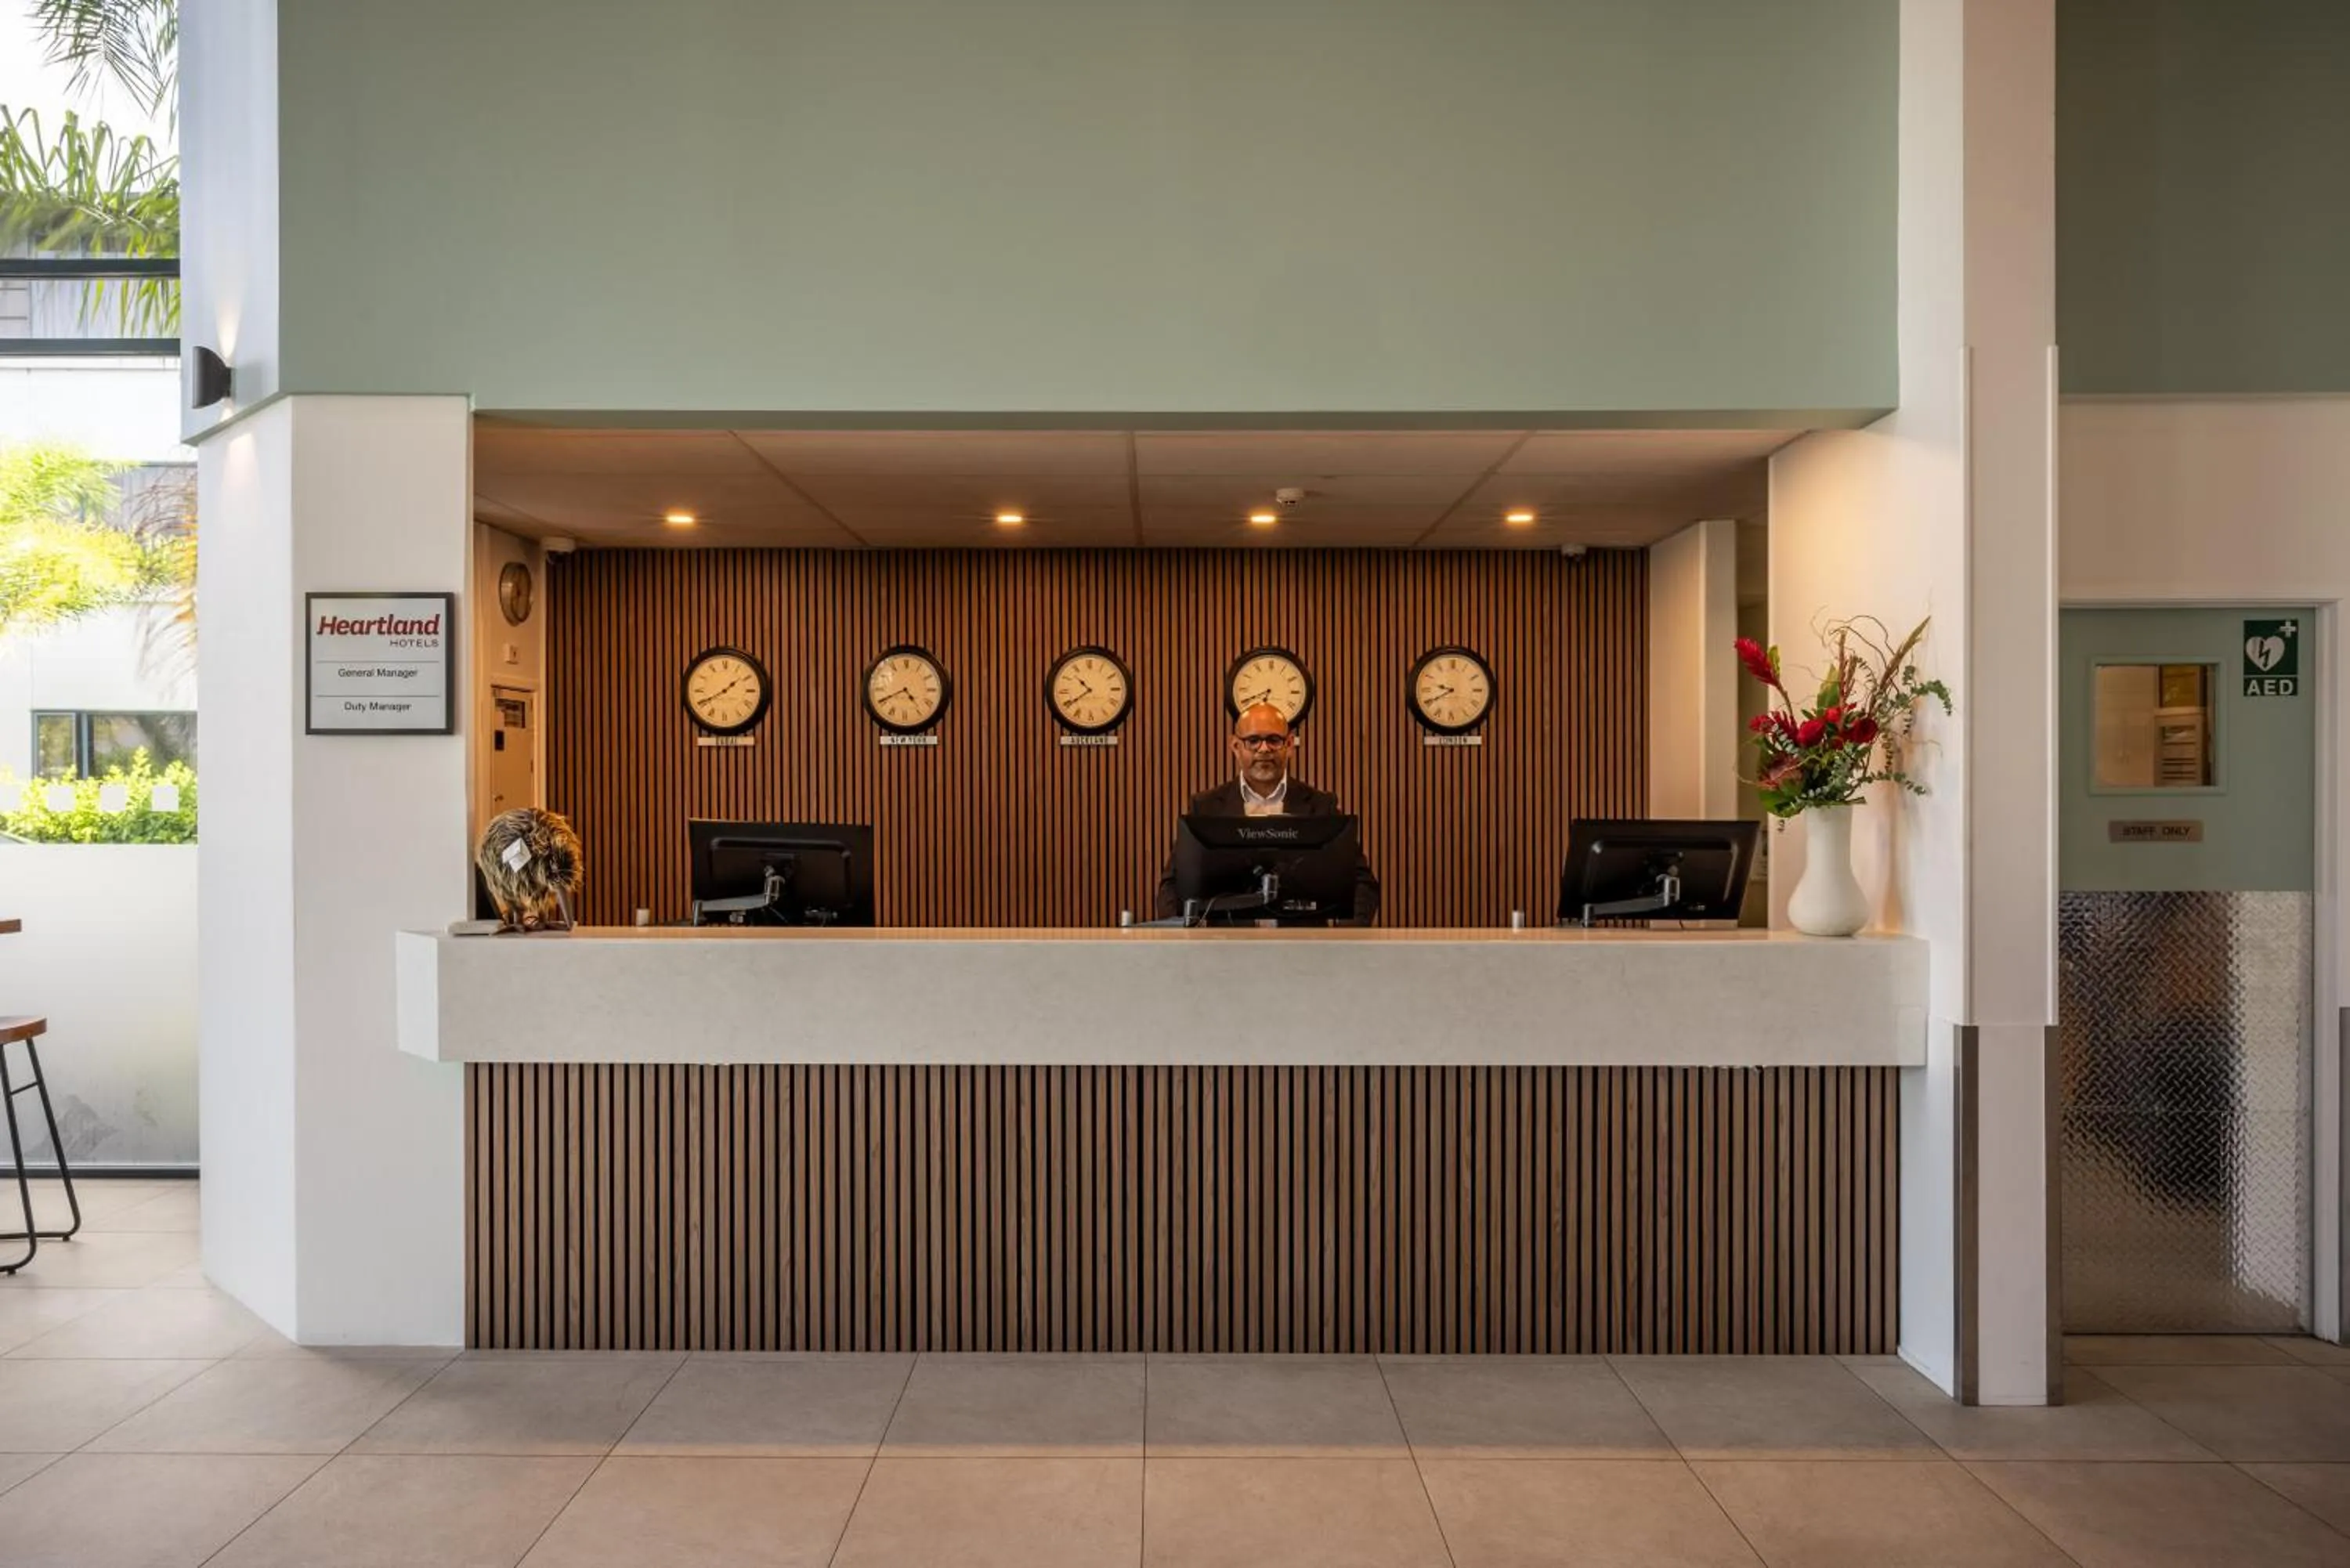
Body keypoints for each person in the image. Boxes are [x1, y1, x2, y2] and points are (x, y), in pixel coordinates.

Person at [1153, 703, 1379, 923]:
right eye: (1253, 741)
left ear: (1289, 745)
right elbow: (1172, 886)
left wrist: (1346, 940)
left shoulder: (1322, 806)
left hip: (1305, 952)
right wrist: (1183, 939)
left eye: (1274, 740)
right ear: (1235, 747)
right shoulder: (1206, 807)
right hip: (1224, 952)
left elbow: (1362, 883)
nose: (1264, 749)